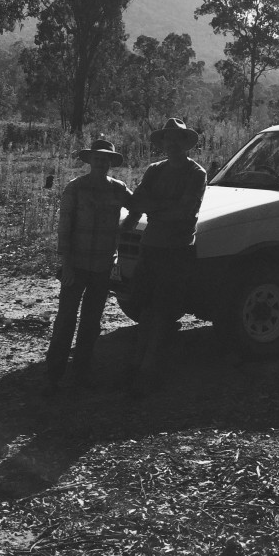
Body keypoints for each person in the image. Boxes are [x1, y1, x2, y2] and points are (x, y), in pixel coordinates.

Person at [124, 117, 207, 396]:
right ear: (163, 144)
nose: (171, 145)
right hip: (152, 247)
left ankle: (149, 371)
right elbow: (137, 203)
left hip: (177, 250)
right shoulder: (154, 170)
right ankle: (138, 366)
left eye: (177, 140)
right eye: (167, 140)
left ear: (185, 144)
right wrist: (128, 225)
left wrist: (153, 209)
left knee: (163, 311)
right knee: (145, 308)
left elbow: (185, 212)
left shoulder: (196, 173)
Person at [45, 136, 134, 391]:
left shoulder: (118, 188)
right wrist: (67, 264)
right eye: (97, 158)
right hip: (77, 264)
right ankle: (53, 375)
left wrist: (124, 228)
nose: (101, 163)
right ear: (90, 161)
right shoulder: (76, 187)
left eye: (105, 159)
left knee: (91, 321)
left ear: (110, 163)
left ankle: (81, 373)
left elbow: (138, 206)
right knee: (65, 320)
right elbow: (65, 228)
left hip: (103, 266)